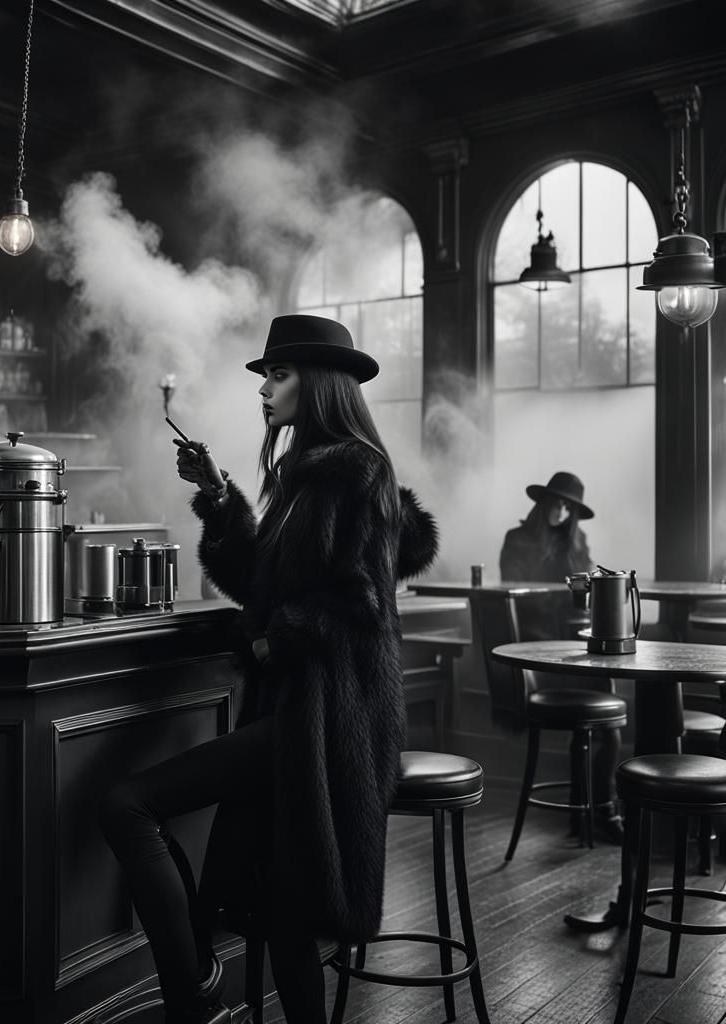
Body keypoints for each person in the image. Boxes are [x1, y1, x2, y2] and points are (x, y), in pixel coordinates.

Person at [100, 314, 439, 1024]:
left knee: (127, 804)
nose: (265, 388)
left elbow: (360, 601)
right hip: (299, 712)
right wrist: (221, 497)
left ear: (319, 386)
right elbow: (265, 580)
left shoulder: (355, 471)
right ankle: (200, 980)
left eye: (279, 375)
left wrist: (276, 639)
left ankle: (194, 987)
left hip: (326, 718)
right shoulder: (303, 473)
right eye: (265, 375)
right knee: (284, 922)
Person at [499, 471, 624, 844]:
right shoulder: (517, 540)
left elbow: (583, 602)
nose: (560, 510)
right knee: (602, 712)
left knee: (609, 718)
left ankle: (593, 812)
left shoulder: (576, 542)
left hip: (571, 647)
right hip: (536, 655)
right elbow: (516, 599)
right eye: (556, 501)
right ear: (542, 502)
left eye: (568, 505)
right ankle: (598, 813)